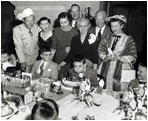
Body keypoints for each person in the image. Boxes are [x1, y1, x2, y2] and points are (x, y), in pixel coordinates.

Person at [98, 15, 137, 94]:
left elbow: (133, 56)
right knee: (103, 88)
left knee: (118, 90)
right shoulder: (107, 37)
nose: (113, 29)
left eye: (116, 26)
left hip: (121, 68)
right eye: (112, 26)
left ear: (122, 26)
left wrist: (119, 58)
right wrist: (105, 57)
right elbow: (100, 49)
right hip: (106, 67)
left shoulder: (128, 39)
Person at [51, 12, 79, 79]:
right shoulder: (57, 31)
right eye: (61, 23)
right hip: (59, 60)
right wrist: (50, 61)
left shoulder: (75, 32)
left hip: (71, 61)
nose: (63, 25)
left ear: (69, 20)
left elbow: (77, 49)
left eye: (65, 22)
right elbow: (53, 48)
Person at [13, 8, 40, 72]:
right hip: (25, 59)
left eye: (32, 20)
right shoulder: (17, 29)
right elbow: (18, 46)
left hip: (35, 59)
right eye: (28, 21)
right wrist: (22, 61)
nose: (30, 23)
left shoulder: (36, 27)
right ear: (23, 20)